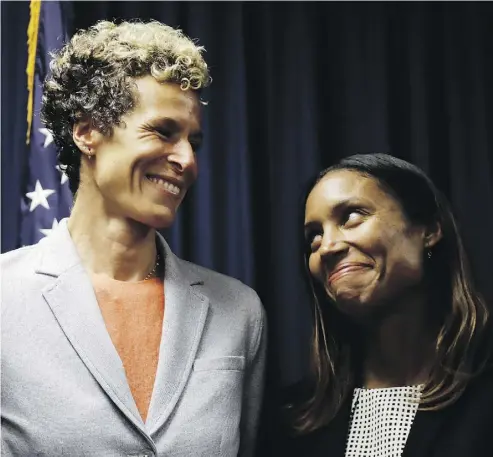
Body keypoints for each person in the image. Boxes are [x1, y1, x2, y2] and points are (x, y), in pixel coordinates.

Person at [1, 20, 266, 457]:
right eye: (163, 131)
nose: (186, 160)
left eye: (193, 142)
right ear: (87, 132)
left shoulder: (239, 311)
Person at [279, 153, 493, 457]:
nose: (327, 247)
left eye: (352, 217)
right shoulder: (294, 417)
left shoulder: (483, 392)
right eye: (314, 236)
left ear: (428, 231)